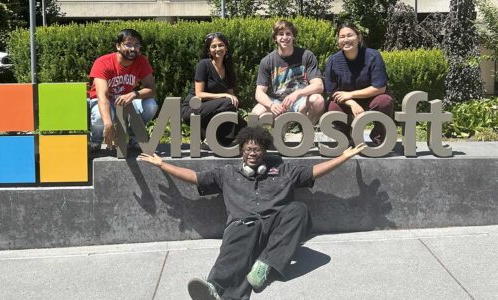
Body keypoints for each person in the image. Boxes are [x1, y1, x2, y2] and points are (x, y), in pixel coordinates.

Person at [139, 126, 365, 299]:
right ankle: (216, 289)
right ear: (242, 151)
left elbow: (314, 172)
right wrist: (162, 165)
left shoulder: (283, 170)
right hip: (243, 226)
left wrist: (343, 157)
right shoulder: (226, 173)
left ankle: (265, 265)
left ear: (264, 151)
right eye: (248, 149)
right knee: (237, 245)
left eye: (257, 149)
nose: (252, 153)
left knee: (299, 210)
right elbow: (195, 178)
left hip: (275, 229)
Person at [325, 22, 394, 146]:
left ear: (359, 37)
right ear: (338, 40)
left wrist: (350, 94)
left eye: (350, 35)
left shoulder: (373, 56)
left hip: (371, 99)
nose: (346, 40)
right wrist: (351, 103)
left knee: (385, 101)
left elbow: (380, 87)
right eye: (342, 36)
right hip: (346, 102)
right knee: (332, 107)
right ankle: (345, 136)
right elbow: (331, 91)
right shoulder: (333, 60)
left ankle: (379, 135)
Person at [88, 29, 158, 151]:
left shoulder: (141, 61)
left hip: (125, 104)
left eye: (137, 45)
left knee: (151, 104)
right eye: (128, 44)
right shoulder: (103, 62)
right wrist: (108, 123)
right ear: (118, 46)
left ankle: (135, 138)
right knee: (100, 116)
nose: (133, 49)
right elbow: (102, 96)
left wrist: (134, 94)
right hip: (104, 103)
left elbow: (151, 89)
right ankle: (95, 142)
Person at [252, 20, 325, 126]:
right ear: (275, 38)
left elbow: (319, 86)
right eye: (281, 34)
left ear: (293, 36)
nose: (285, 37)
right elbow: (259, 93)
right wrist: (271, 105)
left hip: (301, 102)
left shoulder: (306, 55)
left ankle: (307, 129)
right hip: (278, 102)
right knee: (255, 114)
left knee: (318, 100)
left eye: (288, 34)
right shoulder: (267, 61)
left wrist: (297, 93)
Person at [181, 32, 246, 147]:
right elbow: (199, 94)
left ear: (226, 47)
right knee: (227, 102)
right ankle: (212, 139)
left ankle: (213, 138)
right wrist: (224, 96)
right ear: (208, 50)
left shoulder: (228, 68)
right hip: (193, 108)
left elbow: (232, 100)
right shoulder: (204, 64)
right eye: (213, 46)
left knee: (243, 125)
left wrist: (230, 102)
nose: (218, 49)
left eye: (220, 45)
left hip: (214, 109)